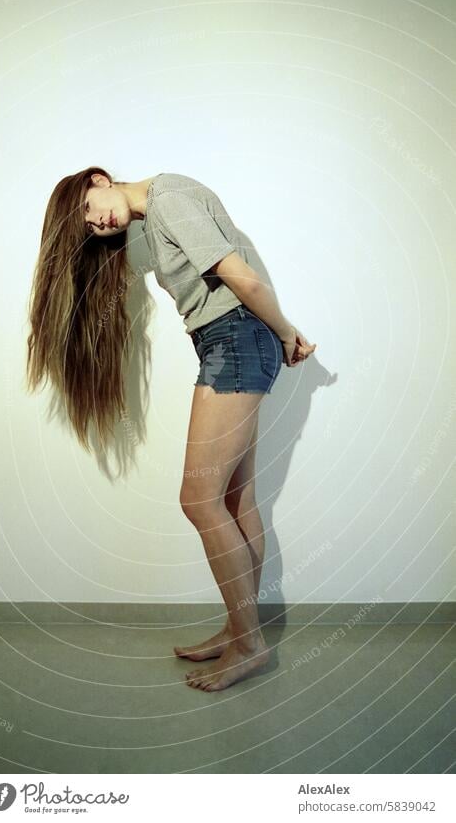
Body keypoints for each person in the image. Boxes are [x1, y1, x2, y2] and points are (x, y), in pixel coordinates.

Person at [26, 167, 316, 692]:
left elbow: (239, 274)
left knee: (199, 500)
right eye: (87, 228)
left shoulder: (167, 201)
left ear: (100, 179)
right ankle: (238, 629)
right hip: (229, 340)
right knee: (234, 499)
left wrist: (287, 332)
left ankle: (250, 645)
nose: (97, 223)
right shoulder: (157, 212)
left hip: (237, 338)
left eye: (89, 210)